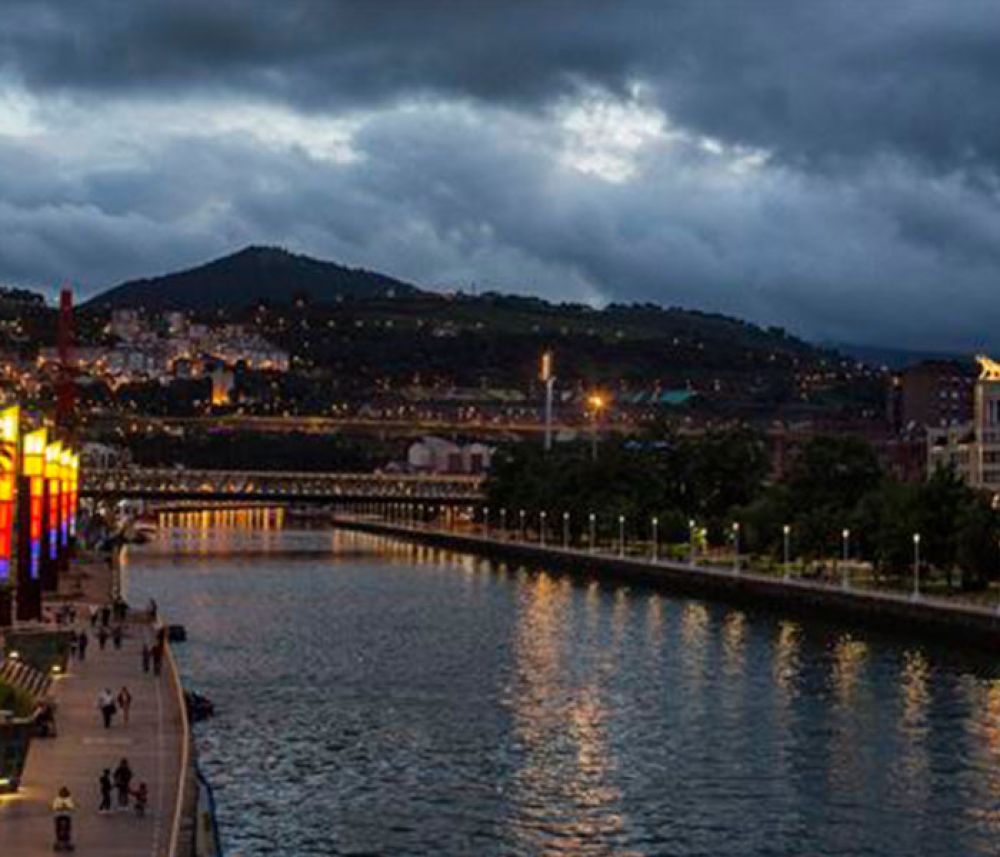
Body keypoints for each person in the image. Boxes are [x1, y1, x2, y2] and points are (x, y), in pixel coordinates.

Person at [51, 786, 76, 851]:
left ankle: (66, 840)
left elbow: (72, 807)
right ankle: (60, 840)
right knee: (60, 828)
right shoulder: (57, 799)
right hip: (60, 815)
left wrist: (65, 807)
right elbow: (54, 807)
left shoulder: (68, 799)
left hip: (65, 815)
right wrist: (61, 807)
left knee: (66, 828)